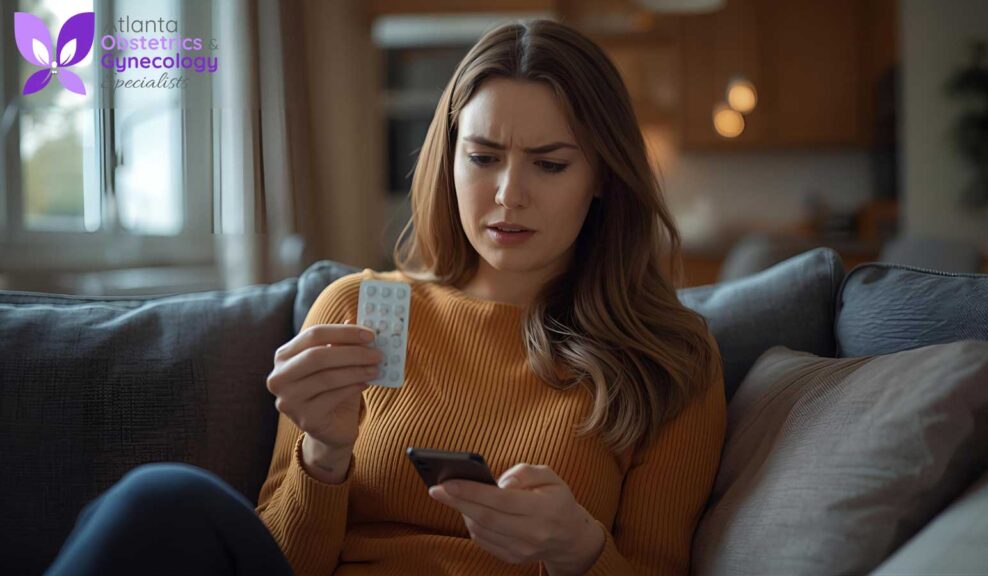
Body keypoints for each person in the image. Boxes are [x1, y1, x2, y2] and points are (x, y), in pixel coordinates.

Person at [45, 19, 725, 576]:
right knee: (159, 497)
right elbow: (283, 562)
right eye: (483, 157)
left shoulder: (668, 356)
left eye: (549, 163)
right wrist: (324, 454)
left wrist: (578, 550)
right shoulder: (354, 309)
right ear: (449, 159)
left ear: (603, 175)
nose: (508, 194)